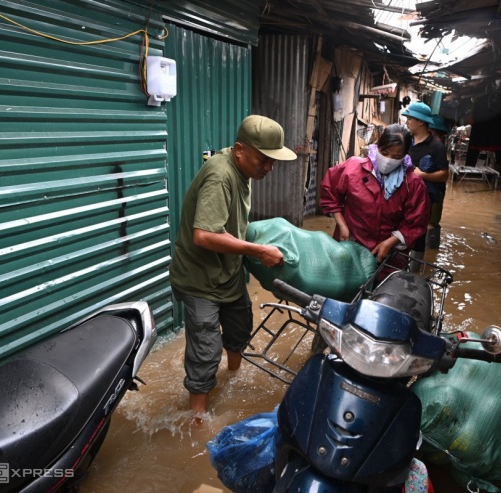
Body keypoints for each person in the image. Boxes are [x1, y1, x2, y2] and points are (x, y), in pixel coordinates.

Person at [169, 115, 297, 417]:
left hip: (226, 273)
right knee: (205, 350)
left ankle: (233, 379)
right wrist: (257, 250)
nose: (269, 168)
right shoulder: (220, 175)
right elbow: (204, 235)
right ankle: (197, 420)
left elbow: (234, 223)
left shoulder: (242, 173)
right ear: (239, 149)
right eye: (263, 160)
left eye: (273, 161)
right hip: (199, 280)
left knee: (240, 329)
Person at [319, 123, 430, 265]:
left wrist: (390, 242)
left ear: (405, 155)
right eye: (384, 153)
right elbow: (330, 192)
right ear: (378, 146)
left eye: (396, 156)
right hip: (348, 247)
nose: (388, 160)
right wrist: (342, 225)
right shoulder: (352, 168)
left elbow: (416, 223)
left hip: (388, 256)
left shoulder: (413, 184)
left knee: (385, 286)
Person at [401, 102, 449, 260]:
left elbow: (444, 175)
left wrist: (422, 175)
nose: (407, 122)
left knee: (420, 233)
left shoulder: (437, 147)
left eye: (410, 118)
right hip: (404, 196)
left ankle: (416, 270)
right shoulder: (406, 141)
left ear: (421, 121)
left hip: (427, 198)